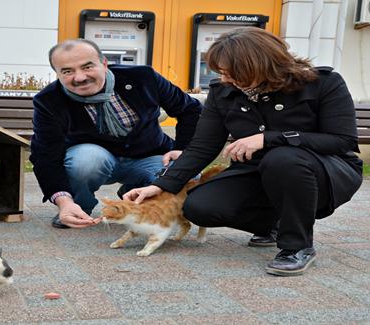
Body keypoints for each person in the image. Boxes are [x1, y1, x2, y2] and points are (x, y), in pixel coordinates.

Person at [123, 27, 363, 276]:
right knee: (199, 207)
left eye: (232, 73)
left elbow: (341, 141)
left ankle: (297, 247)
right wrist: (162, 185)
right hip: (256, 171)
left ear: (260, 66)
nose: (225, 80)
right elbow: (203, 147)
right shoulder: (223, 93)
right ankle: (275, 224)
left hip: (323, 171)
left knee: (283, 158)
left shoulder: (322, 83)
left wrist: (268, 139)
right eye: (222, 73)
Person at [30, 39, 203, 229]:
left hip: (150, 155)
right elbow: (45, 154)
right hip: (95, 161)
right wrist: (64, 201)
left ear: (104, 63)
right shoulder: (49, 101)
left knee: (189, 174)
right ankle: (78, 208)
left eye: (87, 67)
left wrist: (182, 149)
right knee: (85, 159)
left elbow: (190, 110)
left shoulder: (143, 77)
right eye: (67, 71)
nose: (79, 77)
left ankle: (135, 193)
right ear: (57, 73)